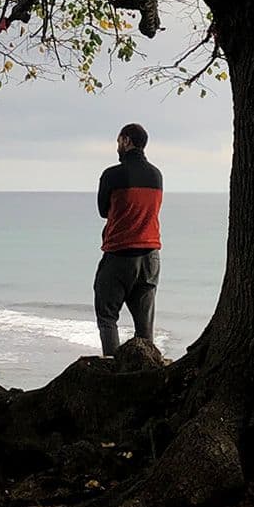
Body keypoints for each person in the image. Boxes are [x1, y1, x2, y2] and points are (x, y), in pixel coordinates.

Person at [92, 122, 162, 357]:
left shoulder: (112, 175)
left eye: (119, 141)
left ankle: (112, 366)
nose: (117, 146)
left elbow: (103, 210)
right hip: (150, 255)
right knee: (144, 326)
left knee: (107, 315)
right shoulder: (156, 175)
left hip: (120, 254)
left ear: (126, 141)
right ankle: (145, 367)